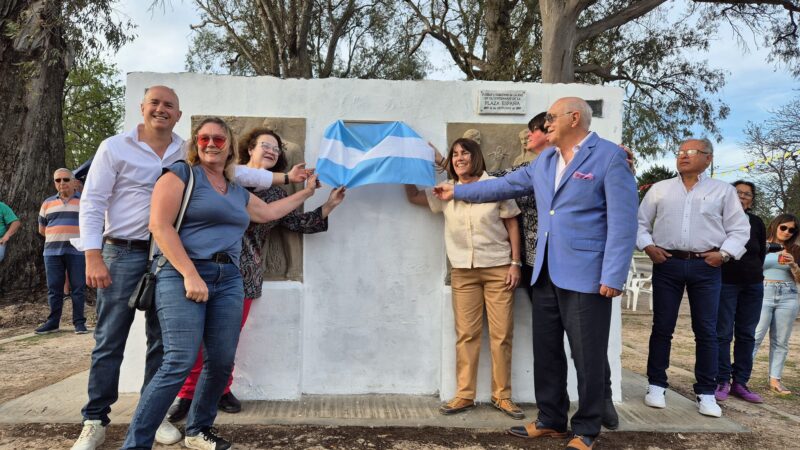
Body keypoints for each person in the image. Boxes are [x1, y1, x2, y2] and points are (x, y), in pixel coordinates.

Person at [71, 86, 309, 450]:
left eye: (218, 139)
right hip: (135, 254)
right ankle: (97, 420)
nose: (211, 143)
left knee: (167, 348)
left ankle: (176, 423)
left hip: (206, 270)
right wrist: (92, 253)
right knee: (114, 340)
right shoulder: (154, 161)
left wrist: (300, 186)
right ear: (143, 108)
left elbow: (261, 195)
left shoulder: (218, 175)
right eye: (154, 103)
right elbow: (100, 204)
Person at [435, 97, 638, 450]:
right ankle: (551, 419)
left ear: (575, 118)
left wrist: (613, 275)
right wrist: (459, 190)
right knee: (546, 351)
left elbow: (623, 222)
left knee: (587, 355)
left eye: (551, 117)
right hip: (544, 271)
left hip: (588, 274)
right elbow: (504, 185)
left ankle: (587, 428)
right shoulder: (545, 160)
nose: (546, 124)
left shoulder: (609, 157)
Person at [121, 117, 321, 449]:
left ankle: (198, 430)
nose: (211, 144)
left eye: (219, 139)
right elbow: (160, 226)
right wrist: (189, 273)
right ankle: (135, 443)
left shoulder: (235, 190)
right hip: (182, 274)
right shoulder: (180, 175)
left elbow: (269, 213)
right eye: (204, 139)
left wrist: (309, 193)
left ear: (229, 146)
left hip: (229, 278)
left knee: (221, 359)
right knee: (179, 361)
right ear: (195, 144)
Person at [166, 127, 345, 421]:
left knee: (226, 338)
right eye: (266, 145)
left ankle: (221, 389)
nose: (272, 151)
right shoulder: (224, 177)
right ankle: (187, 394)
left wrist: (328, 205)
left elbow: (297, 223)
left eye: (277, 148)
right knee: (193, 338)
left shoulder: (276, 192)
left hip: (244, 272)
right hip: (199, 267)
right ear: (249, 148)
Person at [407, 137, 525, 420]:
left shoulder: (495, 187)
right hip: (463, 272)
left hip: (498, 268)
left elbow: (512, 222)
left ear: (476, 157)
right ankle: (464, 394)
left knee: (501, 335)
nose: (460, 158)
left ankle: (502, 396)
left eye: (465, 153)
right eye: (455, 154)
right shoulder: (446, 191)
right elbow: (413, 197)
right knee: (467, 335)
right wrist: (405, 170)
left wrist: (515, 263)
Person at [637, 138, 750, 418]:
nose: (683, 156)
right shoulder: (660, 189)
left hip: (706, 266)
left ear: (708, 158)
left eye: (691, 152)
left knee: (707, 331)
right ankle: (656, 384)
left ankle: (706, 392)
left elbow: (740, 230)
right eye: (680, 152)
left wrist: (723, 255)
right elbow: (639, 223)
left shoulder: (722, 191)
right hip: (668, 263)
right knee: (662, 326)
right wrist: (648, 246)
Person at [714, 180, 767, 403]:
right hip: (726, 282)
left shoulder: (756, 222)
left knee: (747, 334)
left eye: (747, 194)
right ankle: (722, 380)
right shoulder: (719, 220)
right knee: (723, 333)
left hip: (753, 285)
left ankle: (741, 382)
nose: (742, 197)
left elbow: (760, 253)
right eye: (738, 193)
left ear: (752, 200)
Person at [35, 168, 87, 335]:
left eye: (65, 179)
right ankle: (53, 322)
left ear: (73, 181)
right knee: (54, 288)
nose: (62, 183)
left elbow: (92, 225)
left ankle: (79, 323)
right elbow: (42, 229)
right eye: (58, 180)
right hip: (52, 252)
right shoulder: (47, 203)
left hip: (77, 251)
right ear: (55, 183)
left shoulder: (85, 202)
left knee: (78, 287)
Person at [753, 213, 800, 395]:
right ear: (776, 225)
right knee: (754, 336)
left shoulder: (794, 249)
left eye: (792, 230)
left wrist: (794, 265)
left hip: (788, 294)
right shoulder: (761, 245)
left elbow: (799, 279)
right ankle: (741, 378)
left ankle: (775, 380)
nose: (787, 232)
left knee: (781, 341)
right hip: (763, 291)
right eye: (784, 227)